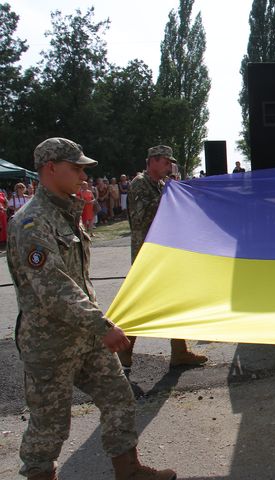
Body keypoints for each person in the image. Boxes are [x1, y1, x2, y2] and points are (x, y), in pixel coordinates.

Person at [7, 137, 176, 480]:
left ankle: (128, 470)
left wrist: (98, 326)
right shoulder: (31, 223)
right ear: (50, 168)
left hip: (87, 337)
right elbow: (55, 288)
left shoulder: (67, 213)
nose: (83, 176)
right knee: (50, 424)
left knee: (119, 396)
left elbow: (79, 281)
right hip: (50, 343)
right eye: (76, 168)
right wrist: (103, 326)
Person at [122, 145, 208, 370]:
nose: (169, 166)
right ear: (152, 161)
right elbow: (140, 218)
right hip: (147, 254)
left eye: (170, 163)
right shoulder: (140, 184)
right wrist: (169, 195)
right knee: (140, 303)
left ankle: (179, 351)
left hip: (164, 251)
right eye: (166, 162)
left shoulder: (161, 185)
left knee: (175, 298)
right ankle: (124, 351)